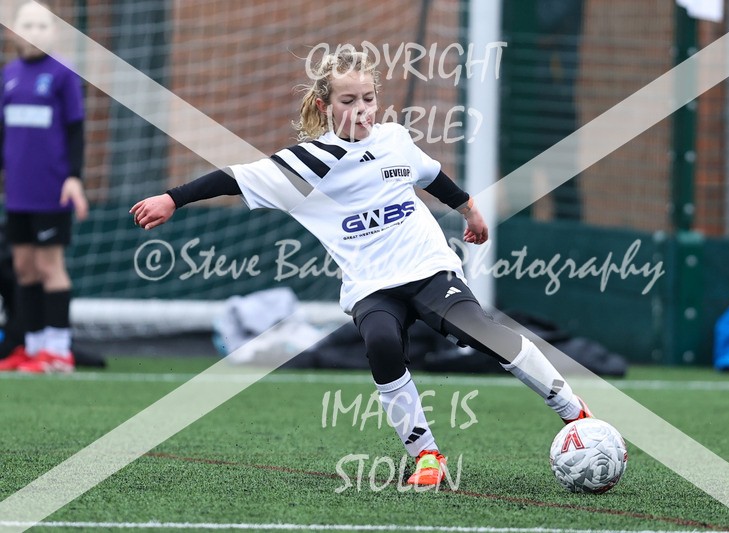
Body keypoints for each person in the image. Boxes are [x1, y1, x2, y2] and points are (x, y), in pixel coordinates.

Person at [130, 49, 592, 486]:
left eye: (368, 98)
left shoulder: (394, 139)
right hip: (371, 286)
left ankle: (576, 414)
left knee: (485, 333)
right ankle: (427, 456)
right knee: (382, 342)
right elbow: (232, 178)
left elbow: (431, 176)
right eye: (349, 101)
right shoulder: (308, 163)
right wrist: (173, 199)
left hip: (429, 269)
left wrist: (470, 209)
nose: (362, 109)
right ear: (324, 105)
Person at [0, 1, 89, 373]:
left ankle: (58, 350)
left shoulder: (63, 75)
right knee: (24, 267)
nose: (33, 32)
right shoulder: (8, 75)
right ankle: (33, 348)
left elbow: (75, 131)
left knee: (50, 265)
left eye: (41, 25)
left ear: (53, 33)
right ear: (12, 31)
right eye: (27, 25)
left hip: (52, 191)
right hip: (18, 194)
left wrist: (73, 177)